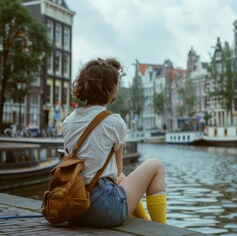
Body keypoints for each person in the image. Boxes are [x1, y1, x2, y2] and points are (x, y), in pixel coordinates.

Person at [62, 57, 166, 227]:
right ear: (111, 90)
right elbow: (118, 171)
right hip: (103, 209)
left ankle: (147, 225)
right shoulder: (115, 122)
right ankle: (162, 229)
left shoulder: (68, 121)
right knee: (156, 165)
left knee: (122, 178)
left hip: (74, 207)